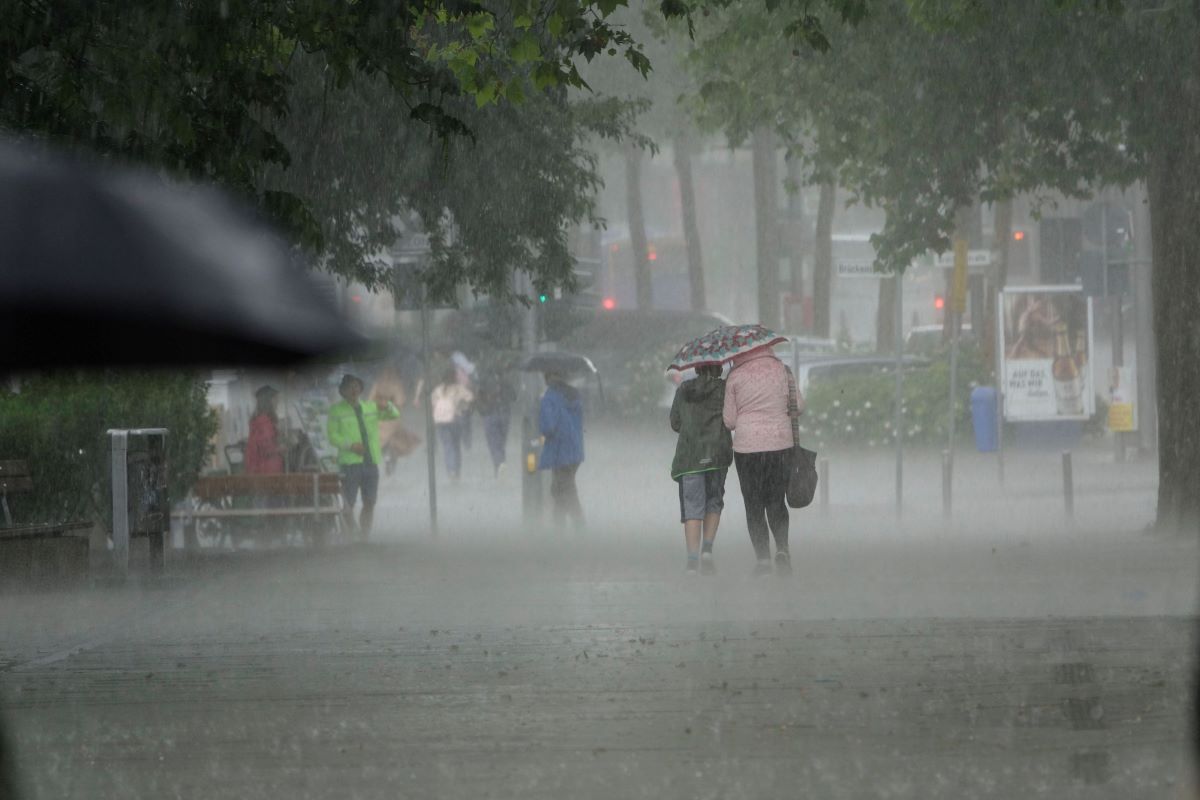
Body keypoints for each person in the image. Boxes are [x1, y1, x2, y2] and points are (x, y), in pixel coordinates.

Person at [723, 344, 802, 577]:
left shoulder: (735, 376)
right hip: (780, 444)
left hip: (748, 449)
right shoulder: (782, 370)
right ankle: (783, 549)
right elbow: (800, 406)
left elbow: (729, 421)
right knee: (776, 500)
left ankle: (763, 560)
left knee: (754, 504)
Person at [670, 364, 733, 576]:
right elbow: (731, 419)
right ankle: (707, 550)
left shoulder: (684, 389)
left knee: (692, 506)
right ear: (718, 367)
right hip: (716, 453)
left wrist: (692, 425)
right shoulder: (724, 388)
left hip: (690, 456)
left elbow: (675, 423)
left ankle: (691, 561)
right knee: (714, 501)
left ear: (696, 367)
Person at [327, 374, 400, 539]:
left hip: (370, 463)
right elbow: (332, 436)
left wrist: (386, 404)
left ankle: (364, 535)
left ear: (360, 389)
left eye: (356, 386)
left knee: (370, 502)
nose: (353, 389)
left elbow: (394, 414)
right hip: (350, 464)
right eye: (349, 387)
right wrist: (350, 445)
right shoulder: (336, 410)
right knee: (348, 503)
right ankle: (351, 531)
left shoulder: (370, 407)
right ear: (343, 391)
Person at [539, 369, 585, 530]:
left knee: (565, 490)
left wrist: (541, 412)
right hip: (575, 450)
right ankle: (559, 527)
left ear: (548, 377)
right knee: (560, 489)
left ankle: (579, 529)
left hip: (560, 451)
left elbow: (548, 427)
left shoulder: (549, 398)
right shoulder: (573, 395)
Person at [475, 362, 517, 477]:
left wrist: (482, 411)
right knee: (501, 443)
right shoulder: (506, 381)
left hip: (489, 414)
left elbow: (478, 396)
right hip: (504, 414)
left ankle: (499, 464)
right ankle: (500, 467)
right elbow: (514, 396)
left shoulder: (483, 381)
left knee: (493, 443)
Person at [431, 367, 473, 480]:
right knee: (456, 446)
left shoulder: (438, 390)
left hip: (441, 422)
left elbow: (434, 404)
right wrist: (463, 407)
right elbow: (470, 399)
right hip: (455, 420)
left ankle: (451, 470)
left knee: (447, 447)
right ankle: (456, 471)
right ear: (454, 377)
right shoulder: (459, 389)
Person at [245, 385, 285, 475]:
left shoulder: (258, 420)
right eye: (276, 399)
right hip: (267, 469)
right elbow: (267, 450)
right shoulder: (265, 422)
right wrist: (281, 448)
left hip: (257, 468)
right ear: (269, 401)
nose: (277, 403)